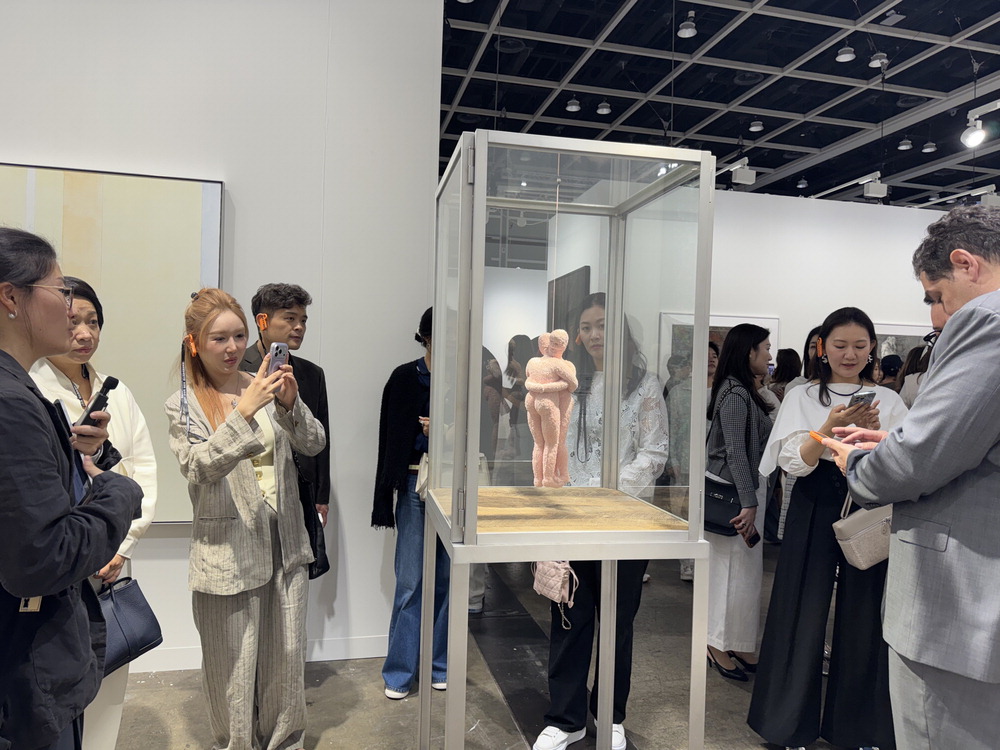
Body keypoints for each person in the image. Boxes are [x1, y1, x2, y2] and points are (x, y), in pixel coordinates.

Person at [821, 206, 1000, 750]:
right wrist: (894, 444)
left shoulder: (987, 320)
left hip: (958, 605)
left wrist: (859, 465)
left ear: (965, 263)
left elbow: (917, 460)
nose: (941, 315)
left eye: (936, 295)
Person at [164, 288, 325, 750]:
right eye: (219, 339)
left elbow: (314, 443)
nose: (232, 347)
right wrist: (246, 411)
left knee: (287, 663)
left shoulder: (263, 382)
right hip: (226, 554)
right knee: (232, 671)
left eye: (238, 336)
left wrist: (290, 405)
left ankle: (285, 742)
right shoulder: (184, 403)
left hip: (285, 545)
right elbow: (198, 466)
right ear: (195, 343)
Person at [0, 227, 142, 750]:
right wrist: (119, 493)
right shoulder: (12, 402)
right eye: (60, 291)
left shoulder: (19, 391)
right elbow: (44, 556)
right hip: (24, 669)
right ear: (11, 297)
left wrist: (85, 458)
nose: (70, 308)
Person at [748, 307, 907, 750]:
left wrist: (872, 439)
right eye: (839, 345)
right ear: (822, 348)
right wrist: (827, 429)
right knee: (800, 604)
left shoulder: (890, 401)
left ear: (872, 349)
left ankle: (858, 729)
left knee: (865, 612)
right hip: (814, 503)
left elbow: (903, 464)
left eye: (859, 345)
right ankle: (786, 724)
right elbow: (792, 464)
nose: (849, 354)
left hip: (869, 507)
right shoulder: (801, 395)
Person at [532, 293, 668, 750]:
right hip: (569, 518)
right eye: (586, 326)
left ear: (620, 331)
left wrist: (603, 494)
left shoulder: (643, 385)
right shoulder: (567, 382)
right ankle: (566, 717)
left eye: (603, 325)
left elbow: (654, 453)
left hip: (624, 522)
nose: (594, 334)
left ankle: (609, 714)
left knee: (617, 623)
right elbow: (550, 443)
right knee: (569, 614)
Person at [29, 276, 157, 750]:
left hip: (114, 556)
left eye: (94, 322)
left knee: (111, 674)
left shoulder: (116, 391)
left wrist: (123, 546)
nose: (84, 333)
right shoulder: (31, 388)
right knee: (59, 687)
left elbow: (143, 468)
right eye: (73, 322)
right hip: (60, 562)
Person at [371, 307, 449, 700]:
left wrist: (446, 431)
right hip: (415, 481)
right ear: (426, 336)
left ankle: (440, 665)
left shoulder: (463, 381)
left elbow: (485, 433)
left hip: (454, 486)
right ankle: (400, 672)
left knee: (448, 580)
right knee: (410, 580)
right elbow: (390, 439)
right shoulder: (404, 378)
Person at [241, 283, 331, 578]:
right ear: (262, 321)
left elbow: (322, 436)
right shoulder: (236, 367)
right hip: (254, 487)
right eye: (290, 318)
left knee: (296, 572)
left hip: (300, 490)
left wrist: (322, 495)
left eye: (303, 320)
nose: (299, 327)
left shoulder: (312, 373)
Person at [704, 325, 773, 682]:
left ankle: (739, 642)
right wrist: (749, 501)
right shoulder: (734, 393)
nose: (770, 355)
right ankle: (715, 643)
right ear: (749, 351)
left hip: (746, 491)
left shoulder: (744, 390)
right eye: (766, 348)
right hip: (733, 493)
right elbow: (734, 452)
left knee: (744, 574)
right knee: (725, 573)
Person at [525, 330, 577, 487]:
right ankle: (548, 478)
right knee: (553, 443)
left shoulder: (532, 362)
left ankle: (538, 479)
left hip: (531, 400)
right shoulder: (560, 364)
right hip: (549, 403)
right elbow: (573, 385)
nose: (552, 347)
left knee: (539, 443)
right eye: (552, 343)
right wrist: (551, 387)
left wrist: (538, 387)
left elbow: (528, 379)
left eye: (555, 344)